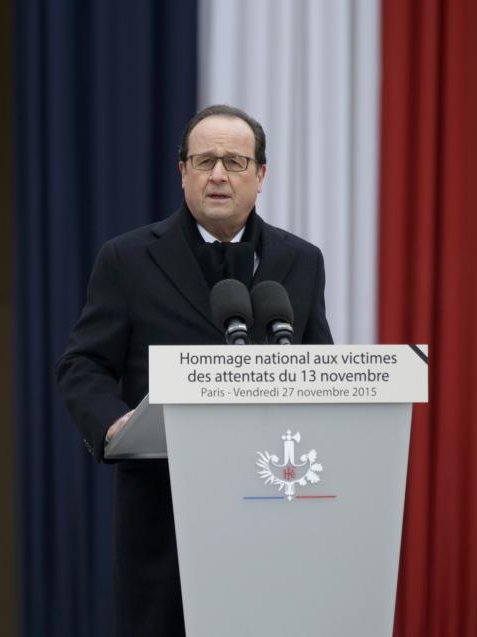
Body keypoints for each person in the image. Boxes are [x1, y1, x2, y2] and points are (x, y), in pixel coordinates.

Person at [55, 104, 334, 636]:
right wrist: (113, 424)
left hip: (275, 504)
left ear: (262, 175)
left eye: (235, 161)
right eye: (205, 161)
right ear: (182, 171)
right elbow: (83, 363)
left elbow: (317, 365)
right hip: (166, 516)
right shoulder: (129, 259)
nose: (220, 175)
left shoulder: (302, 260)